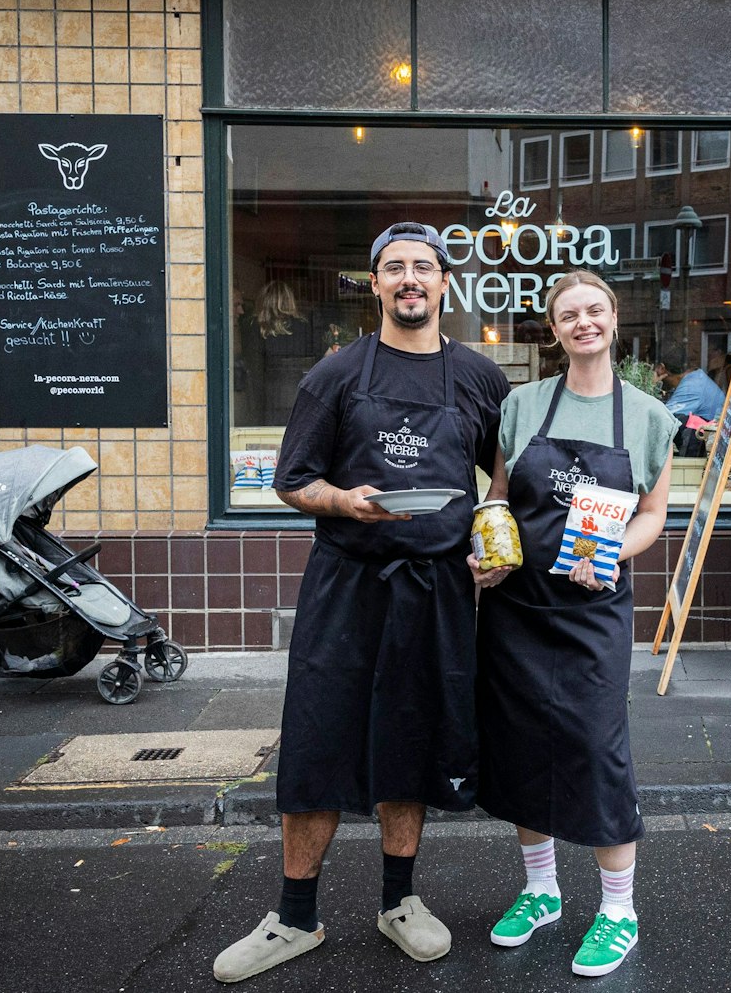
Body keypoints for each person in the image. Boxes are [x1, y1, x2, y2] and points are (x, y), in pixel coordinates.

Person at [213, 223, 510, 983]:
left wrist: (489, 531)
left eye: (422, 266)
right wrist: (343, 499)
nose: (409, 279)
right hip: (346, 583)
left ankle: (399, 901)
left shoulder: (479, 378)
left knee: (410, 740)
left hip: (438, 588)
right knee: (318, 738)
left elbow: (502, 476)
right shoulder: (336, 374)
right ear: (374, 284)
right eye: (394, 268)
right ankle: (295, 915)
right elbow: (290, 480)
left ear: (445, 283)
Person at [469, 270, 678, 979]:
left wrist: (616, 546)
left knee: (594, 746)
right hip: (517, 607)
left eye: (594, 310)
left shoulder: (648, 416)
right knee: (522, 743)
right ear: (553, 328)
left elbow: (654, 512)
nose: (583, 322)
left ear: (614, 317)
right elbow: (498, 496)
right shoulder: (522, 404)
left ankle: (618, 909)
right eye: (568, 315)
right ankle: (541, 890)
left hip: (591, 610)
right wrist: (486, 556)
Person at [661, 344, 728, 424]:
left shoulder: (691, 386)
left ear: (662, 369)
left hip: (709, 434)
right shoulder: (695, 376)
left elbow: (663, 420)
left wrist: (652, 386)